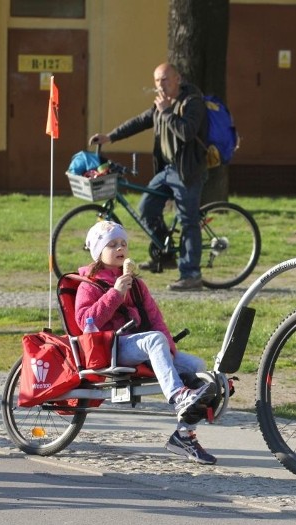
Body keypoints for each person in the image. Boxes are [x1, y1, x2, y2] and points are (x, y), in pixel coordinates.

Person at [75, 220, 218, 465]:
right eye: (112, 244)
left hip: (141, 343)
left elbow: (155, 318)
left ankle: (184, 435)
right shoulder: (90, 284)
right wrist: (115, 294)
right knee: (155, 340)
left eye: (123, 244)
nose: (120, 248)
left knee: (197, 365)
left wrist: (170, 348)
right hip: (111, 347)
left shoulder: (137, 284)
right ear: (99, 252)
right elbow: (86, 322)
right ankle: (177, 395)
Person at [89, 62, 208, 291]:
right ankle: (165, 256)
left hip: (187, 171)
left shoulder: (192, 102)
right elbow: (140, 121)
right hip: (167, 169)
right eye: (156, 81)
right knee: (147, 209)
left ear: (178, 80)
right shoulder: (161, 104)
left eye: (164, 79)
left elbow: (187, 132)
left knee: (188, 221)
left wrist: (165, 112)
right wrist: (110, 137)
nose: (160, 85)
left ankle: (191, 275)